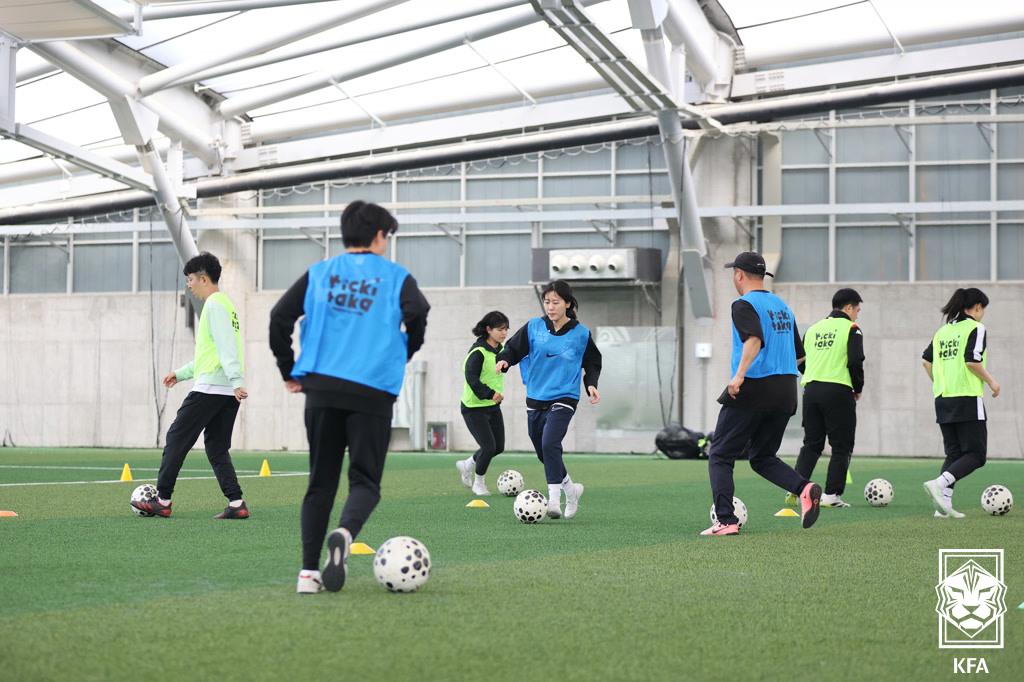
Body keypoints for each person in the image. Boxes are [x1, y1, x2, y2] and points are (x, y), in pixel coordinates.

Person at [269, 201, 430, 594]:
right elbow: (418, 312)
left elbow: (279, 316)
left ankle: (308, 574)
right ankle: (345, 532)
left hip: (322, 387)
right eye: (386, 236)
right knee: (365, 481)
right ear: (378, 236)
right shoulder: (397, 277)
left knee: (320, 482)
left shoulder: (319, 273)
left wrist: (288, 369)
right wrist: (404, 351)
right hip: (373, 389)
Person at [704, 252, 821, 537]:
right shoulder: (783, 307)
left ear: (739, 275)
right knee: (762, 457)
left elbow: (754, 339)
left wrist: (739, 375)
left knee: (720, 454)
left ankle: (726, 520)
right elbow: (800, 355)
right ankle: (804, 488)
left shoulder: (743, 304)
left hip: (753, 386)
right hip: (785, 390)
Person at [131, 252, 250, 520]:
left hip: (211, 389)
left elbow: (226, 348)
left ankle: (162, 500)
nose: (189, 285)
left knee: (176, 438)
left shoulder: (214, 305)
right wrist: (181, 373)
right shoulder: (226, 305)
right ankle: (236, 502)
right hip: (224, 391)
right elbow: (212, 355)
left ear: (204, 279)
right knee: (216, 447)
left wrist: (237, 380)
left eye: (191, 279)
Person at [495, 280, 601, 520]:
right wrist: (504, 360)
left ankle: (554, 500)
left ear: (568, 304)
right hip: (536, 396)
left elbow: (592, 362)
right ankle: (571, 490)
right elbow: (513, 349)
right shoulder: (534, 327)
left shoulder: (581, 334)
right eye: (547, 302)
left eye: (556, 302)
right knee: (544, 451)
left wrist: (591, 384)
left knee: (550, 442)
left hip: (565, 395)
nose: (550, 307)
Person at [922, 288, 998, 519]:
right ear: (978, 307)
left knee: (954, 454)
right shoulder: (976, 328)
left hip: (943, 398)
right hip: (967, 397)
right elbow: (972, 361)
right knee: (976, 455)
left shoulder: (943, 331)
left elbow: (926, 362)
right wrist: (992, 382)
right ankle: (939, 483)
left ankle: (943, 507)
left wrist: (940, 383)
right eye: (983, 309)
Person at [791, 288, 865, 508]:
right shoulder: (851, 328)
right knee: (841, 445)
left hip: (811, 391)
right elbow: (855, 361)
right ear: (848, 307)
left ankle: (795, 488)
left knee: (812, 443)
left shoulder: (813, 329)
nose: (857, 315)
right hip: (838, 391)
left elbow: (800, 361)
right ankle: (832, 496)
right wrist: (858, 387)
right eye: (857, 310)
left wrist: (815, 375)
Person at [456, 311, 510, 496]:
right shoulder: (478, 352)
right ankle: (478, 483)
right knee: (488, 447)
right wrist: (490, 393)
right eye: (500, 329)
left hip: (492, 407)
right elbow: (471, 378)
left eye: (506, 329)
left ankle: (467, 464)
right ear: (488, 329)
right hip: (473, 408)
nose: (504, 333)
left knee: (498, 447)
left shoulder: (500, 350)